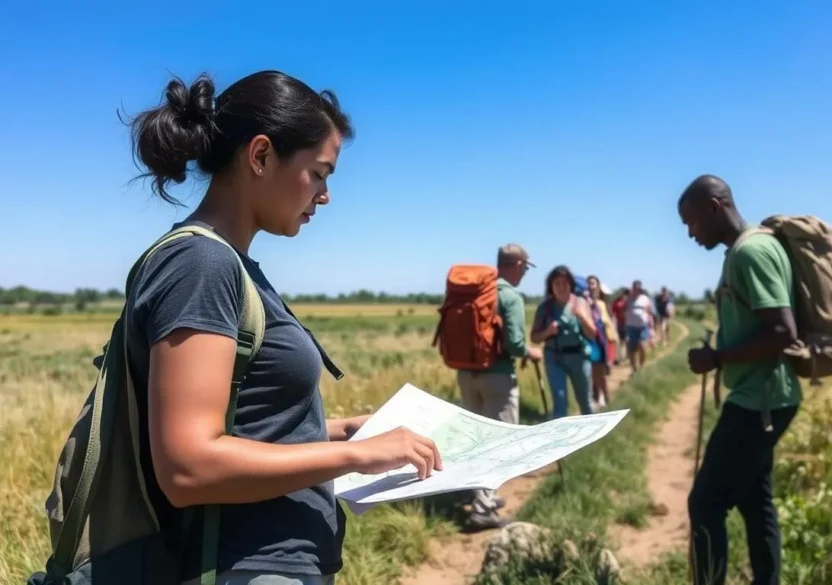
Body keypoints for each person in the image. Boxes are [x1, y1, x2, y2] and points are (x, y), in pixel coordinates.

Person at [121, 70, 442, 585]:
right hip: (244, 564)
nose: (325, 195)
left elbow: (248, 423)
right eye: (319, 173)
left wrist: (337, 430)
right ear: (261, 155)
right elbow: (189, 466)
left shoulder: (235, 266)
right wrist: (355, 455)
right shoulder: (201, 265)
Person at [678, 174, 802, 585]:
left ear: (714, 207)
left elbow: (783, 331)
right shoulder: (747, 249)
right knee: (754, 500)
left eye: (691, 221)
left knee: (705, 504)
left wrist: (717, 357)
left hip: (758, 401)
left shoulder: (751, 252)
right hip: (766, 395)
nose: (690, 232)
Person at [455, 243, 542, 531]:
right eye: (525, 269)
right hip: (498, 376)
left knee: (477, 438)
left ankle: (481, 493)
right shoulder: (509, 297)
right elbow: (516, 344)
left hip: (467, 374)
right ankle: (483, 509)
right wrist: (532, 352)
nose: (524, 274)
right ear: (517, 265)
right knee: (499, 443)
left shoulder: (478, 290)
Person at [530, 265, 599, 418]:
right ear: (551, 286)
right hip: (554, 358)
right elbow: (534, 338)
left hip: (579, 357)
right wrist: (547, 332)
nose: (561, 287)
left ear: (571, 285)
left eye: (565, 283)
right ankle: (561, 440)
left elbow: (593, 334)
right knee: (560, 401)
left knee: (585, 402)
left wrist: (581, 317)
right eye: (557, 284)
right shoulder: (545, 307)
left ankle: (592, 437)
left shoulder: (581, 303)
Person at [586, 275, 617, 408]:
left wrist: (612, 341)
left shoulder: (602, 304)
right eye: (589, 283)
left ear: (598, 287)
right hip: (589, 340)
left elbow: (607, 324)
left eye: (593, 283)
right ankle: (596, 398)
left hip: (603, 341)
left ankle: (605, 398)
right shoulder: (582, 302)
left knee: (601, 373)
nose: (591, 286)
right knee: (592, 372)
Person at [623, 280, 655, 373]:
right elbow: (623, 310)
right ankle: (634, 369)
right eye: (635, 288)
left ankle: (641, 366)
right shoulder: (628, 299)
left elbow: (650, 313)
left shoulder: (645, 299)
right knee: (632, 349)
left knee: (642, 346)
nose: (637, 290)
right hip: (631, 326)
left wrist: (651, 328)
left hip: (643, 326)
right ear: (632, 288)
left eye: (639, 289)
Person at [610, 288, 629, 364]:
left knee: (626, 341)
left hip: (627, 324)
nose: (622, 295)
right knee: (621, 341)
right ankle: (621, 357)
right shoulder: (617, 302)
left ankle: (626, 357)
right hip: (619, 324)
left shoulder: (628, 302)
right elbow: (613, 313)